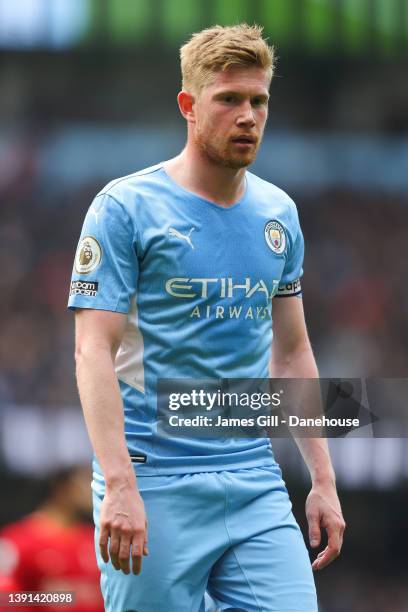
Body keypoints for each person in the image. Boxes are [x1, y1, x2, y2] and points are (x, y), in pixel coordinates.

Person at [68, 23, 346, 612]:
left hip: (253, 474)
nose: (248, 115)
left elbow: (292, 352)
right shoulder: (125, 208)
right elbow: (93, 350)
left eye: (258, 101)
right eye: (229, 100)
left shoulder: (278, 213)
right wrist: (118, 484)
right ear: (189, 106)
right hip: (154, 477)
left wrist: (322, 477)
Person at [0, 465, 104, 612]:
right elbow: (6, 598)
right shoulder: (17, 541)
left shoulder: (95, 538)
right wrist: (61, 597)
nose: (95, 488)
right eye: (87, 480)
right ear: (63, 488)